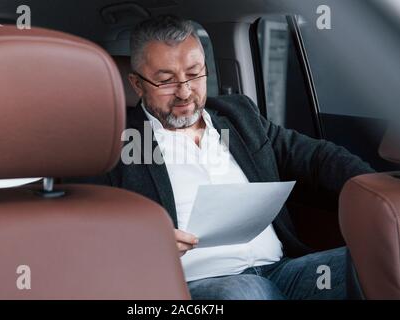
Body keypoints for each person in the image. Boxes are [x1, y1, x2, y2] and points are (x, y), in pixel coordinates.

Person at [82, 15, 374, 299]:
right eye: (167, 80)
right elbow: (87, 232)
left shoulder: (239, 115)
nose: (185, 92)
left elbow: (316, 157)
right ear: (137, 84)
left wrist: (378, 191)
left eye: (194, 73)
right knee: (246, 291)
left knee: (376, 258)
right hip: (195, 285)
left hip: (283, 271)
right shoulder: (113, 144)